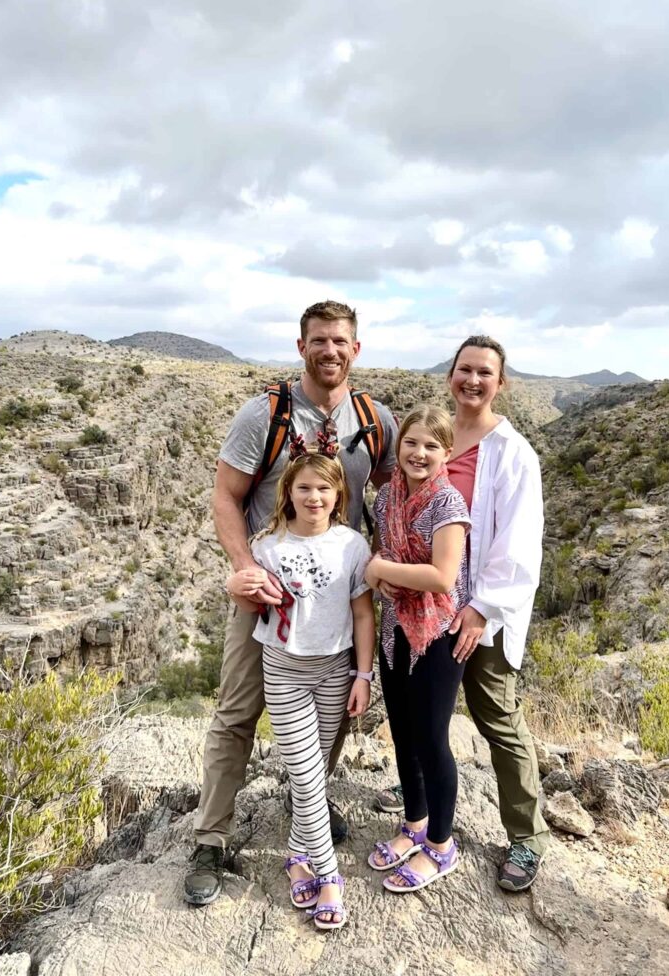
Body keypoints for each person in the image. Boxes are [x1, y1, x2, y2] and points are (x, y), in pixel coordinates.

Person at [185, 300, 397, 906]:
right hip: (270, 596)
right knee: (237, 712)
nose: (330, 351)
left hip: (340, 595)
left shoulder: (375, 419)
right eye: (319, 340)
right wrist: (245, 568)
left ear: (357, 349)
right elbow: (226, 497)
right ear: (301, 345)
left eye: (341, 342)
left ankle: (309, 803)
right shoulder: (266, 414)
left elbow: (392, 492)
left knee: (332, 713)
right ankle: (212, 838)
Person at [374, 336, 549, 893]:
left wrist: (481, 610)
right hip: (417, 615)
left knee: (496, 717)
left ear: (502, 384)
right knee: (420, 720)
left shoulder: (512, 452)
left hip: (482, 612)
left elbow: (520, 542)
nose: (473, 381)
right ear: (451, 375)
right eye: (464, 370)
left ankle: (525, 837)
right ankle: (419, 815)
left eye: (485, 373)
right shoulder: (439, 438)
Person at [228, 441, 375, 930]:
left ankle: (297, 855)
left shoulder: (354, 546)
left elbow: (362, 613)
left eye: (324, 489)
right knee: (305, 775)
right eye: (304, 488)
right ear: (287, 493)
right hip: (284, 669)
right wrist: (236, 587)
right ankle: (330, 877)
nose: (314, 497)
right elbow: (251, 604)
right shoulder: (265, 548)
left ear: (339, 496)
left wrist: (363, 674)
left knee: (315, 774)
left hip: (335, 670)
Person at [364, 406, 470, 893]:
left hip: (437, 634)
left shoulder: (448, 504)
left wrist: (379, 571)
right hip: (395, 630)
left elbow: (441, 576)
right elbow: (385, 553)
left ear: (446, 453)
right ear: (399, 446)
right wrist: (381, 575)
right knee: (403, 734)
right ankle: (414, 823)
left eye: (431, 446)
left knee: (431, 738)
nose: (419, 453)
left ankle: (442, 845)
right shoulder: (386, 496)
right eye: (411, 443)